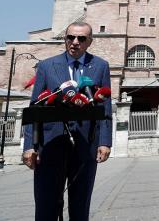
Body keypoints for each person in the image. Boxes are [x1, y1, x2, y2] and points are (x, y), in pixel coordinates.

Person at [22, 21, 113, 221]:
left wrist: (105, 142)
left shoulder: (100, 66)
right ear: (65, 39)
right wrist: (29, 146)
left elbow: (105, 108)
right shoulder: (47, 66)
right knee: (46, 203)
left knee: (80, 204)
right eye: (70, 37)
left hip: (84, 145)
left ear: (89, 41)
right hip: (50, 144)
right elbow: (34, 109)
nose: (74, 42)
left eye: (81, 38)